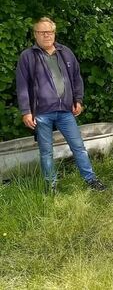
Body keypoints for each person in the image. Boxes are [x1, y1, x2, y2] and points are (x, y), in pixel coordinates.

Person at [15, 17, 106, 193]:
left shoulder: (65, 53)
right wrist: (26, 111)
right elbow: (22, 85)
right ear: (35, 35)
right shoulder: (27, 57)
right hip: (41, 113)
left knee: (78, 147)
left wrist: (78, 100)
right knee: (46, 152)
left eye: (49, 32)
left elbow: (76, 78)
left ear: (54, 33)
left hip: (65, 111)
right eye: (42, 32)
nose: (46, 35)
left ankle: (91, 180)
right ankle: (51, 186)